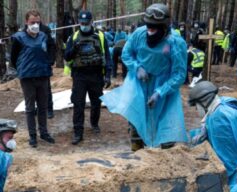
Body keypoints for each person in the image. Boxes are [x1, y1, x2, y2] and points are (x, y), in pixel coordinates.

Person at [101, 3, 188, 151]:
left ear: (164, 26)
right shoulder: (139, 34)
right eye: (148, 26)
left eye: (154, 27)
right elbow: (126, 54)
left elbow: (179, 74)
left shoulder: (175, 43)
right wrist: (137, 67)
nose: (150, 30)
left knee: (165, 122)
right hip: (139, 83)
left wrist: (160, 92)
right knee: (137, 117)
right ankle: (137, 153)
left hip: (164, 87)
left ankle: (167, 158)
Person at [64, 10, 112, 145]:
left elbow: (107, 56)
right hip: (79, 75)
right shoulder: (73, 37)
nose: (84, 25)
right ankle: (78, 132)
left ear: (91, 22)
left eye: (86, 22)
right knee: (78, 104)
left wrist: (108, 75)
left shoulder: (100, 36)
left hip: (96, 75)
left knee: (96, 103)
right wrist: (74, 49)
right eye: (81, 23)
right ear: (79, 22)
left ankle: (94, 123)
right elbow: (67, 56)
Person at [11, 10, 55, 148]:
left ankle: (44, 132)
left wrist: (49, 63)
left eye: (37, 22)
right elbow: (13, 57)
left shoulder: (43, 36)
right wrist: (21, 69)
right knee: (30, 108)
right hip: (27, 77)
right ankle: (32, 136)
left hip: (42, 75)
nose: (35, 25)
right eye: (32, 22)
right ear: (26, 22)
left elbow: (50, 50)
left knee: (43, 106)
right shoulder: (18, 38)